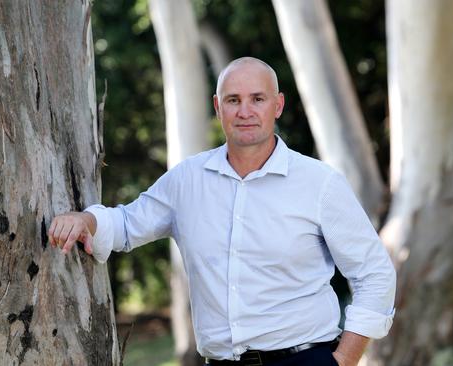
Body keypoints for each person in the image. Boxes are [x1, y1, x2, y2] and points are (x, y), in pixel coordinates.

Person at [48, 57, 396, 366]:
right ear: (218, 107)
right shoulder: (187, 180)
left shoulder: (319, 183)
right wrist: (85, 220)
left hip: (305, 358)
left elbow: (375, 273)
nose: (245, 111)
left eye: (257, 99)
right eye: (233, 100)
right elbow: (126, 224)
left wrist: (343, 360)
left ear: (278, 105)